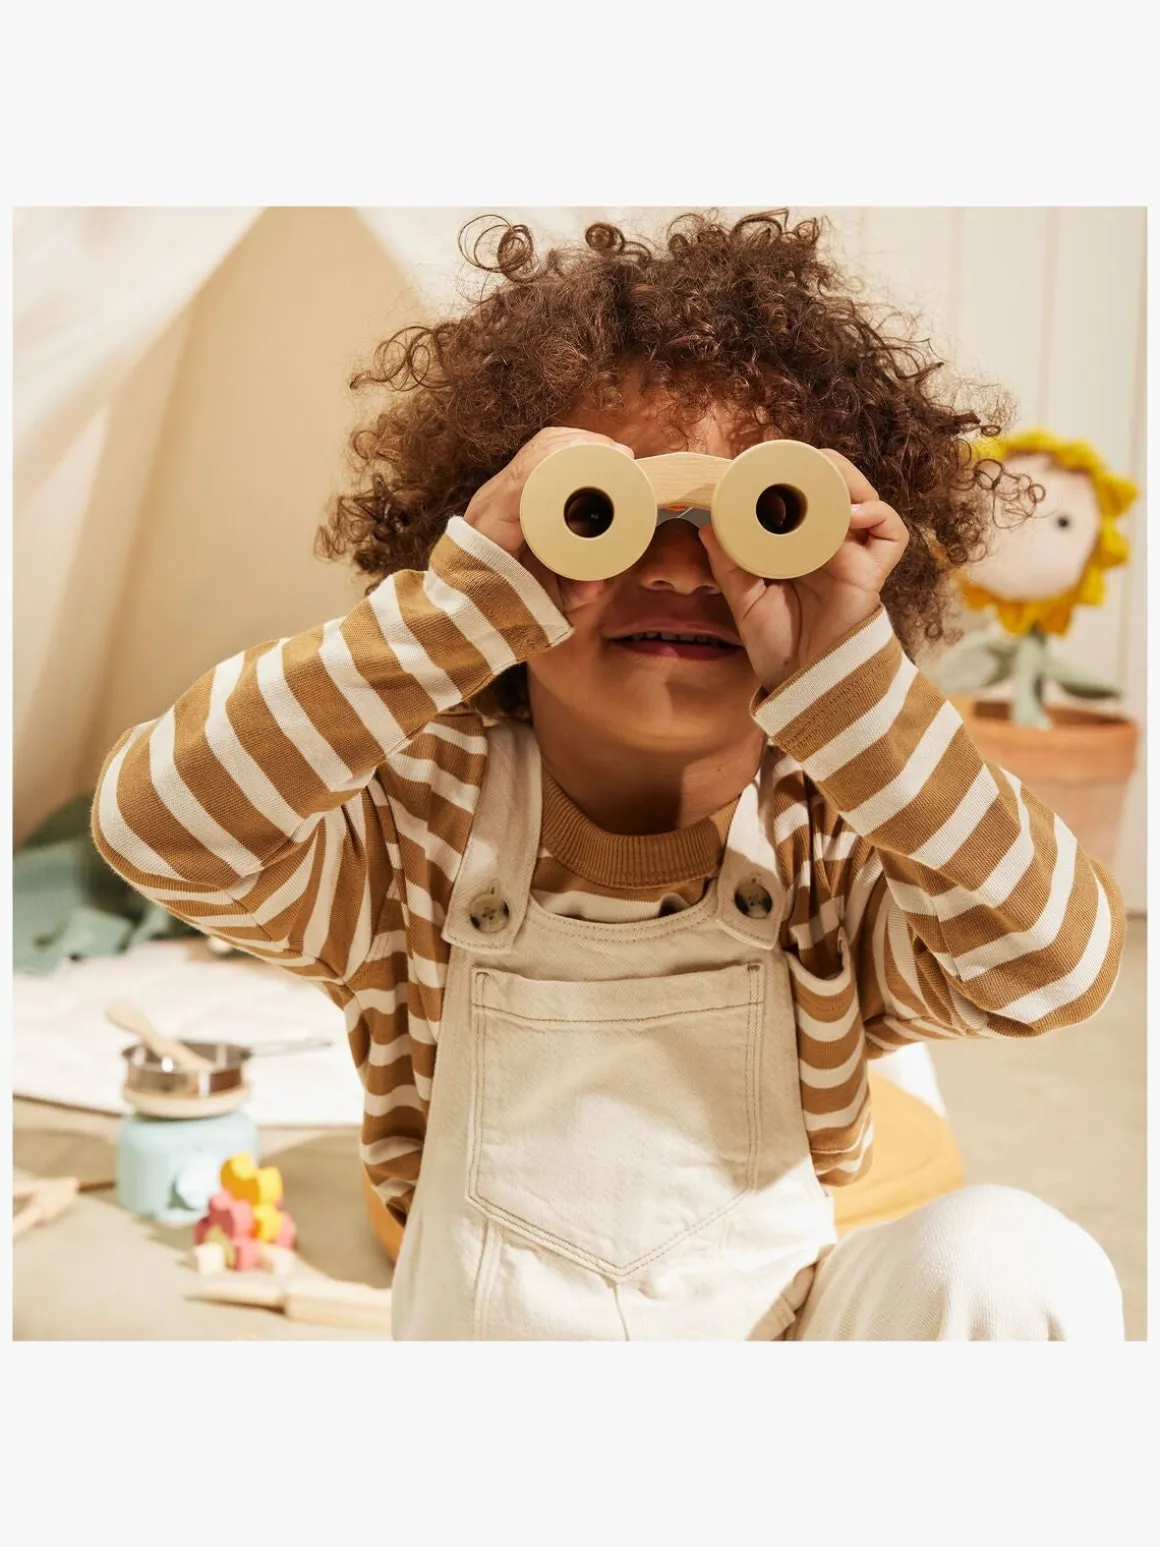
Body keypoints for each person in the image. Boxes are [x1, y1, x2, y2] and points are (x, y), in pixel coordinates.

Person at [92, 211, 1125, 1339]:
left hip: (771, 1343)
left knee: (1010, 1261)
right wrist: (456, 616)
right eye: (600, 515)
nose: (681, 569)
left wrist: (850, 682)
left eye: (757, 519)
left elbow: (1056, 967)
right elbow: (160, 827)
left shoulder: (830, 834)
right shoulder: (412, 832)